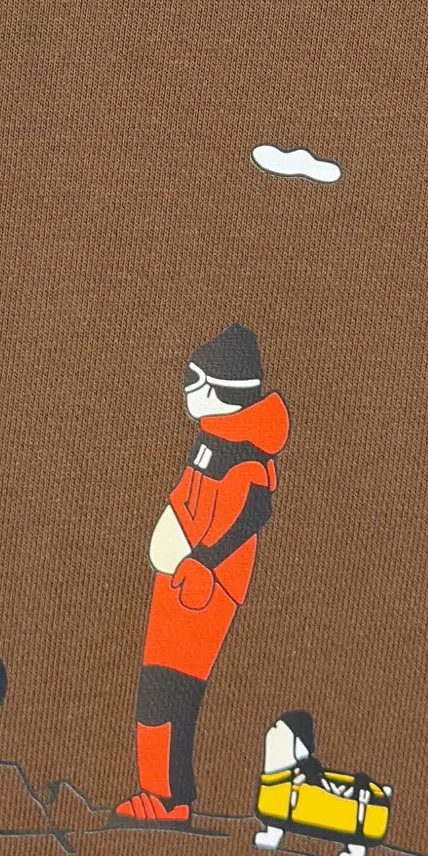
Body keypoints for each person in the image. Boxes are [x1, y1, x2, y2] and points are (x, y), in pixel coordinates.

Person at [115, 325, 290, 824]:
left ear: (217, 387)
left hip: (204, 589)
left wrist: (204, 561)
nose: (185, 389)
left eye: (192, 379)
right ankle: (157, 791)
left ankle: (169, 798)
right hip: (177, 582)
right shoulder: (213, 436)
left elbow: (251, 512)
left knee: (173, 690)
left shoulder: (245, 448)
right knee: (155, 687)